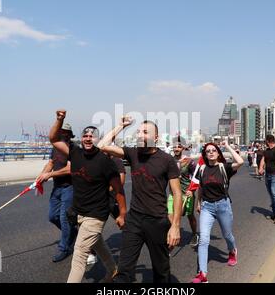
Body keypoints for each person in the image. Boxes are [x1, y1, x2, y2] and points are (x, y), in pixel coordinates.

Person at [100, 117, 182, 283]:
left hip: (157, 221)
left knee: (161, 272)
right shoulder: (132, 153)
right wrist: (121, 125)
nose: (139, 135)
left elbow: (177, 193)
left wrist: (175, 226)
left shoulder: (167, 160)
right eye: (138, 131)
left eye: (145, 132)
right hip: (134, 220)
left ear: (156, 138)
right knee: (124, 271)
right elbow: (102, 145)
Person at [49, 110, 127, 283]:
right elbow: (54, 139)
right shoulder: (75, 153)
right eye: (85, 135)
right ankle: (114, 271)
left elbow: (119, 190)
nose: (88, 138)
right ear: (81, 138)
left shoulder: (106, 162)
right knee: (98, 243)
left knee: (79, 253)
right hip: (79, 212)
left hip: (96, 215)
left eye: (92, 136)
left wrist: (122, 214)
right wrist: (59, 120)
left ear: (98, 140)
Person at [190, 140, 244, 283]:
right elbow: (201, 188)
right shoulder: (202, 169)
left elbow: (240, 161)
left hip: (222, 206)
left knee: (227, 234)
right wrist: (198, 203)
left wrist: (227, 146)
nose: (211, 152)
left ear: (218, 153)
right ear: (205, 155)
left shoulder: (224, 167)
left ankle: (232, 251)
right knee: (204, 239)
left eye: (214, 150)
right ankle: (203, 274)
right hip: (207, 207)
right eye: (208, 151)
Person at [36, 123, 77, 262]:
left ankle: (64, 248)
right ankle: (73, 233)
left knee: (65, 219)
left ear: (69, 134)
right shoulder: (55, 148)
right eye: (60, 131)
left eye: (65, 132)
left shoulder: (73, 149)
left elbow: (70, 169)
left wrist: (50, 175)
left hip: (70, 187)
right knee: (53, 217)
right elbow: (50, 163)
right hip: (57, 187)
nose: (62, 134)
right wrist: (41, 176)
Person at [168, 136, 198, 248]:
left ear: (183, 148)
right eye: (174, 147)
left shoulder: (189, 161)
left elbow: (196, 177)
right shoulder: (169, 160)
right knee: (170, 215)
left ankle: (195, 234)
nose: (176, 148)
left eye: (179, 146)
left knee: (189, 216)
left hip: (186, 193)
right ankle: (174, 233)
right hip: (173, 193)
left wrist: (192, 189)